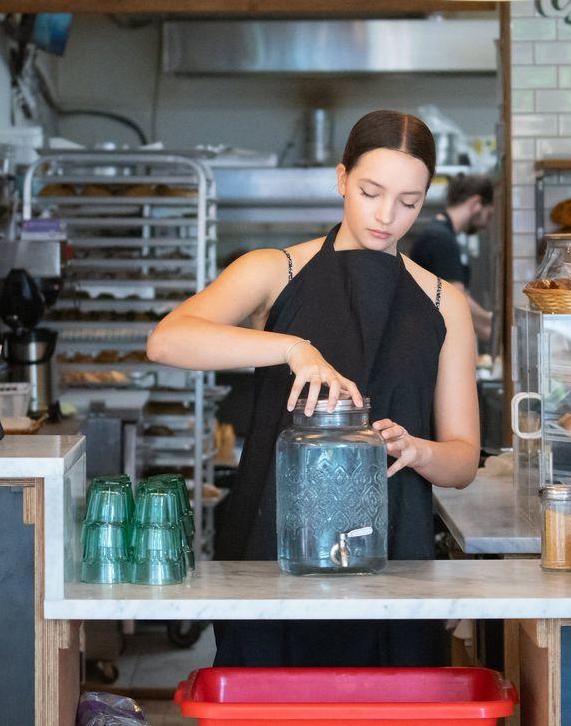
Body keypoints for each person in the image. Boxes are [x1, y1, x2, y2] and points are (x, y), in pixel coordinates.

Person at [147, 110, 480, 667]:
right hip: (269, 550)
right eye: (371, 192)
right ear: (341, 178)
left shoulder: (445, 303)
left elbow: (464, 461)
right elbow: (166, 340)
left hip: (395, 556)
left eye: (409, 202)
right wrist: (289, 347)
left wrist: (417, 451)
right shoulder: (272, 270)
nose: (386, 216)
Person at [408, 173, 495, 344]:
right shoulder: (441, 239)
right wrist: (491, 324)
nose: (486, 224)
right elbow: (458, 300)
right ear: (475, 204)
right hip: (427, 343)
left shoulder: (439, 233)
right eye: (489, 215)